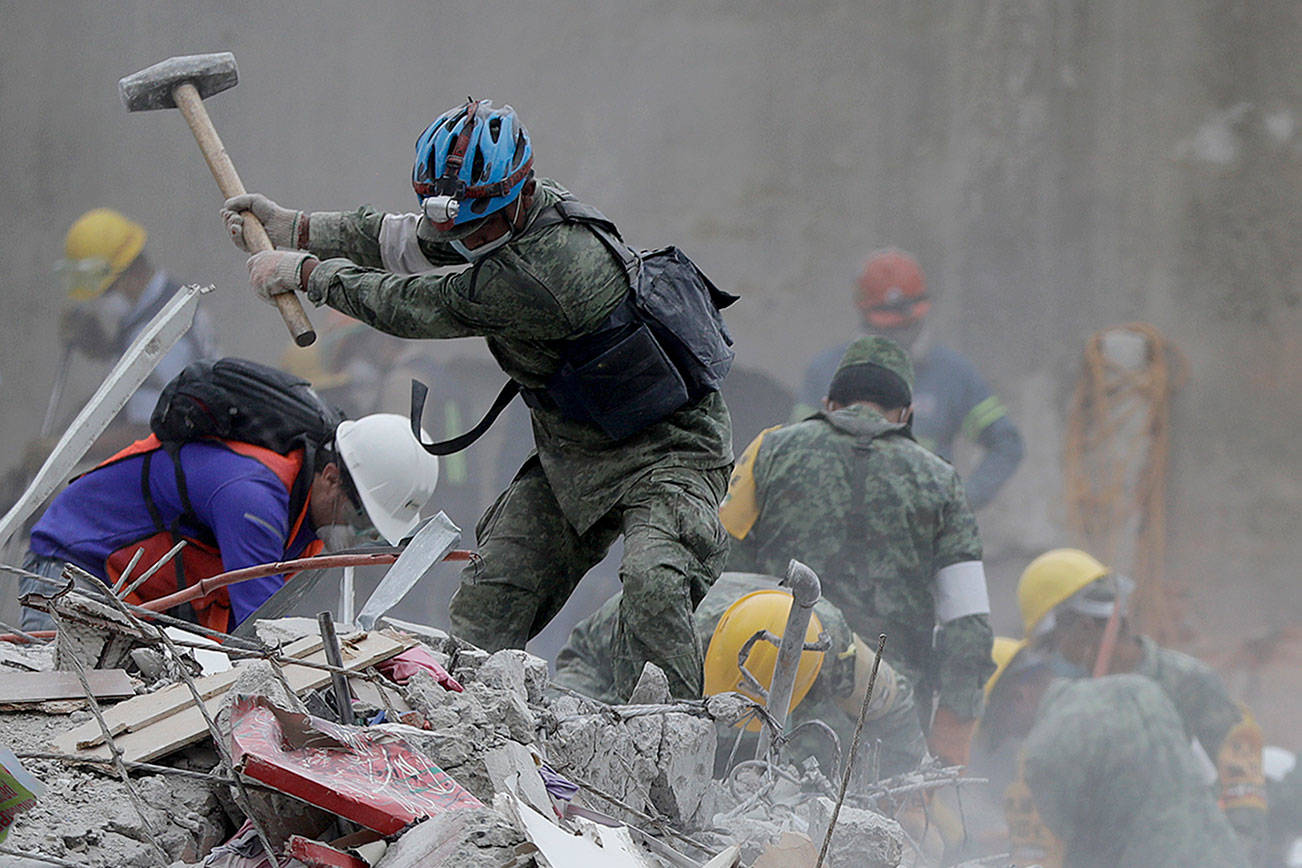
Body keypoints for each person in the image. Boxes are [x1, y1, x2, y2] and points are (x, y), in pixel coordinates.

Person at [221, 99, 733, 699]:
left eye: (480, 225)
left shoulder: (549, 269)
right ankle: (463, 722)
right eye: (456, 223)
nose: (467, 237)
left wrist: (309, 274)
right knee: (492, 594)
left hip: (668, 450)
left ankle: (663, 741)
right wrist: (299, 227)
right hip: (575, 451)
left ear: (520, 194)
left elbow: (416, 303)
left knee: (655, 584)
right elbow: (402, 239)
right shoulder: (486, 217)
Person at [720, 335, 995, 768]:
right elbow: (969, 623)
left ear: (830, 404)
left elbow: (722, 574)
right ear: (906, 415)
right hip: (886, 719)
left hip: (772, 702)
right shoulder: (941, 481)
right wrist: (955, 721)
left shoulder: (769, 453)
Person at [20, 413, 438, 633]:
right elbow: (263, 630)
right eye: (361, 517)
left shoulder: (307, 526)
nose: (360, 536)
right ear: (330, 478)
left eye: (374, 532)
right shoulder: (253, 498)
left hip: (140, 598)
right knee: (59, 710)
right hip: (77, 567)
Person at [1018, 548, 1269, 864]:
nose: (1056, 660)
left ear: (1083, 626)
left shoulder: (1189, 683)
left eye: (1055, 644)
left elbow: (1242, 788)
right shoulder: (1076, 711)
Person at [553, 570, 928, 779]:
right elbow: (579, 661)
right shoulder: (657, 623)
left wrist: (904, 781)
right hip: (619, 673)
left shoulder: (829, 644)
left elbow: (893, 706)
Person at [796, 249, 1022, 510]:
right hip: (839, 528)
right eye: (888, 328)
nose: (898, 337)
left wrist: (962, 502)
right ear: (863, 315)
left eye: (906, 326)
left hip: (923, 534)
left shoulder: (952, 375)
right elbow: (796, 450)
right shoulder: (826, 372)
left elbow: (1006, 443)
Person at [1016, 673, 1249, 867]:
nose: (1014, 737)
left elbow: (1072, 843)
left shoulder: (1044, 747)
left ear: (1020, 696)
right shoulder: (1140, 688)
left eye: (1006, 728)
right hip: (1223, 855)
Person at [55, 207, 217, 440]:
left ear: (134, 273)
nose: (99, 302)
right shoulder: (168, 301)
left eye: (105, 291)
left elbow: (145, 430)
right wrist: (101, 347)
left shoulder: (159, 329)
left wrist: (57, 450)